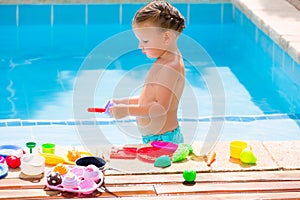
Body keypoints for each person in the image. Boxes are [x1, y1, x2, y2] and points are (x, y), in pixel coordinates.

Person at [109, 0, 185, 144]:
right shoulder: (164, 59)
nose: (140, 46)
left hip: (164, 141)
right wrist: (122, 102)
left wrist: (127, 111)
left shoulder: (170, 67)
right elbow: (150, 99)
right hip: (156, 139)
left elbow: (160, 108)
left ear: (166, 37)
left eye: (145, 41)